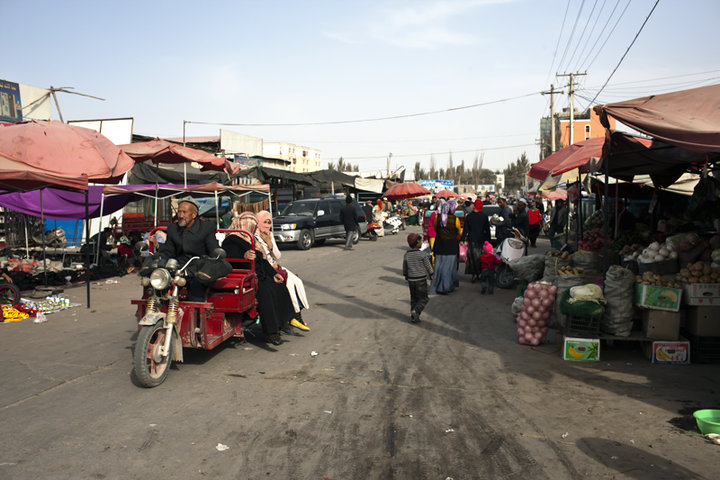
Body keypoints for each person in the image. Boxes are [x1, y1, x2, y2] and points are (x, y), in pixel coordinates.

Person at [222, 213, 295, 346]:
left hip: (259, 273)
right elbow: (230, 255)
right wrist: (243, 255)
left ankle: (284, 322)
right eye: (248, 224)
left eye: (253, 225)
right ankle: (271, 333)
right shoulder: (231, 239)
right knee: (266, 292)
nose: (250, 227)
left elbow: (262, 260)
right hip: (246, 276)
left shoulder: (251, 240)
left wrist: (273, 273)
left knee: (279, 287)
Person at [255, 210, 310, 332]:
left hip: (274, 266)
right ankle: (293, 317)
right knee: (289, 283)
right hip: (266, 269)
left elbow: (277, 255)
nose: (267, 225)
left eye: (270, 222)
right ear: (257, 222)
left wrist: (271, 242)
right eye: (265, 222)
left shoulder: (268, 235)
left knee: (297, 281)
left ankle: (296, 315)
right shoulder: (254, 236)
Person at [157, 197, 219, 302]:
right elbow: (168, 250)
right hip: (179, 267)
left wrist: (212, 261)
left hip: (200, 268)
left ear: (194, 214)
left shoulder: (206, 228)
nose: (180, 215)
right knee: (159, 282)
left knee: (196, 288)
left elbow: (213, 250)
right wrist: (159, 260)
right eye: (179, 212)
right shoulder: (173, 228)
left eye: (184, 212)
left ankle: (196, 316)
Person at [429, 199, 461, 295]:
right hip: (451, 246)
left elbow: (435, 229)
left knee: (438, 267)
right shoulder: (455, 219)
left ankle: (437, 285)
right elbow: (458, 231)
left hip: (439, 245)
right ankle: (445, 287)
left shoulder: (437, 218)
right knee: (448, 267)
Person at [403, 233, 433, 323]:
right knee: (424, 298)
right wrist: (431, 274)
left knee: (414, 299)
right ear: (417, 243)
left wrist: (406, 274)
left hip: (411, 280)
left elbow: (405, 266)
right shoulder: (422, 254)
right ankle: (416, 311)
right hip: (421, 280)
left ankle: (414, 316)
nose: (421, 243)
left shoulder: (407, 255)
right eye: (420, 241)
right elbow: (428, 265)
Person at [460, 199, 491, 283]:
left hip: (471, 240)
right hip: (481, 240)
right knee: (480, 257)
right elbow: (487, 230)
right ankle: (479, 274)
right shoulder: (484, 216)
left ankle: (474, 275)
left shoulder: (469, 216)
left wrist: (462, 239)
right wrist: (488, 241)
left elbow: (465, 229)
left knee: (472, 258)